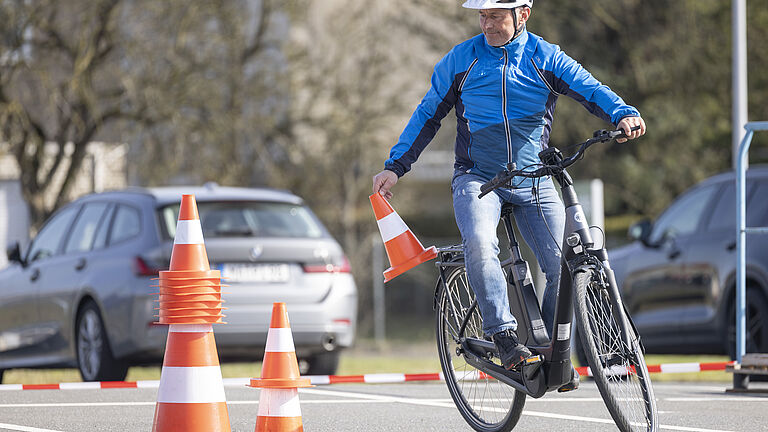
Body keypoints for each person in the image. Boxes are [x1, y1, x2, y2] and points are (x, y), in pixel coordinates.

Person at [372, 0, 646, 383]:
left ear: (522, 15)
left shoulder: (544, 56)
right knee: (482, 244)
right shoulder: (461, 60)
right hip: (477, 178)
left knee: (564, 264)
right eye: (482, 16)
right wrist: (395, 165)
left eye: (495, 16)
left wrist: (622, 112)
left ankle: (551, 347)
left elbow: (589, 87)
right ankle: (503, 336)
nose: (486, 24)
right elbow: (427, 113)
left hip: (534, 179)